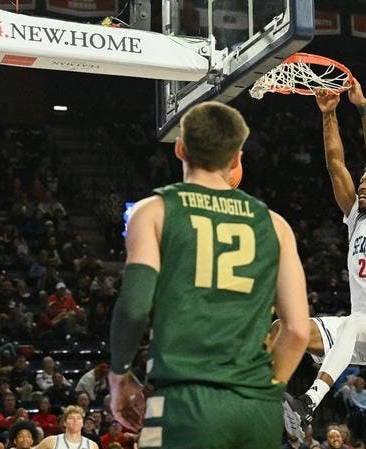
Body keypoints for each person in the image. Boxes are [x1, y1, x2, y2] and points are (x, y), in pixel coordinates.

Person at [107, 101, 310, 449]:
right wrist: (264, 389)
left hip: (186, 402)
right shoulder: (276, 226)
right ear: (236, 158)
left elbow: (134, 308)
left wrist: (119, 376)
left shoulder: (153, 211)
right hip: (258, 411)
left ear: (180, 148)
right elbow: (297, 330)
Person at [280, 79, 366, 437]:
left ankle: (309, 401)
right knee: (286, 330)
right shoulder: (355, 216)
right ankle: (268, 403)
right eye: (362, 181)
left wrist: (362, 107)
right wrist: (329, 115)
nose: (361, 185)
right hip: (356, 335)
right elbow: (335, 164)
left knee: (355, 322)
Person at [33, 405, 98, 449]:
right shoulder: (51, 441)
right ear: (64, 423)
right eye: (71, 418)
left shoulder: (92, 445)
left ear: (82, 423)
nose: (75, 421)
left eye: (78, 418)